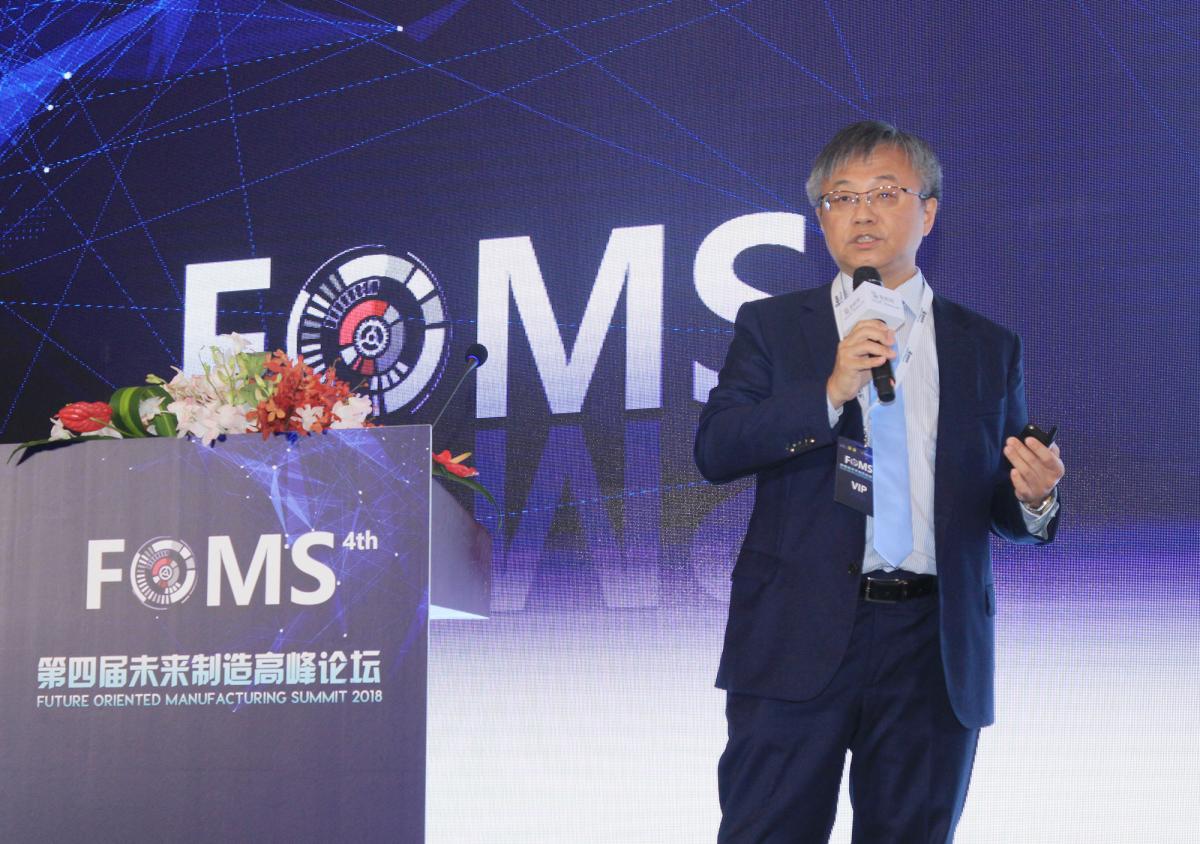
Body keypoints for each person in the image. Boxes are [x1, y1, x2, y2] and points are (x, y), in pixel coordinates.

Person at [694, 120, 1065, 843]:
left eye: (886, 193)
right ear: (822, 219)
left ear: (928, 212)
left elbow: (996, 498)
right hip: (797, 634)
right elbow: (717, 449)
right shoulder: (773, 327)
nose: (861, 212)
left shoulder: (988, 346)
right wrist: (830, 392)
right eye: (842, 197)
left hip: (933, 646)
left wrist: (1033, 498)